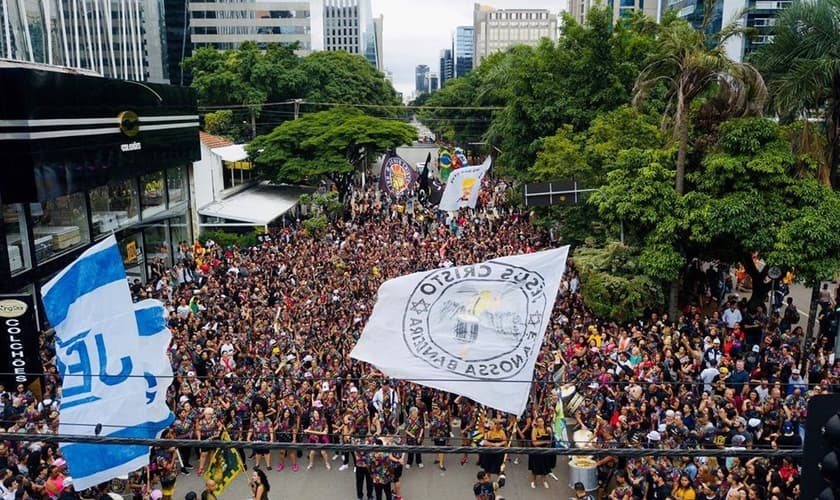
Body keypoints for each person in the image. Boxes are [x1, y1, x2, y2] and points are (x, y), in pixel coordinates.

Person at [527, 416, 552, 489]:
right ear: (536, 423)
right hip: (536, 451)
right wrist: (544, 442)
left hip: (545, 451)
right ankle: (533, 481)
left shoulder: (547, 429)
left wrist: (550, 433)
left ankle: (544, 481)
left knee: (545, 468)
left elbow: (551, 441)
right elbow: (534, 443)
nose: (540, 423)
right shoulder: (534, 430)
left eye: (541, 421)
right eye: (538, 422)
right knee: (534, 468)